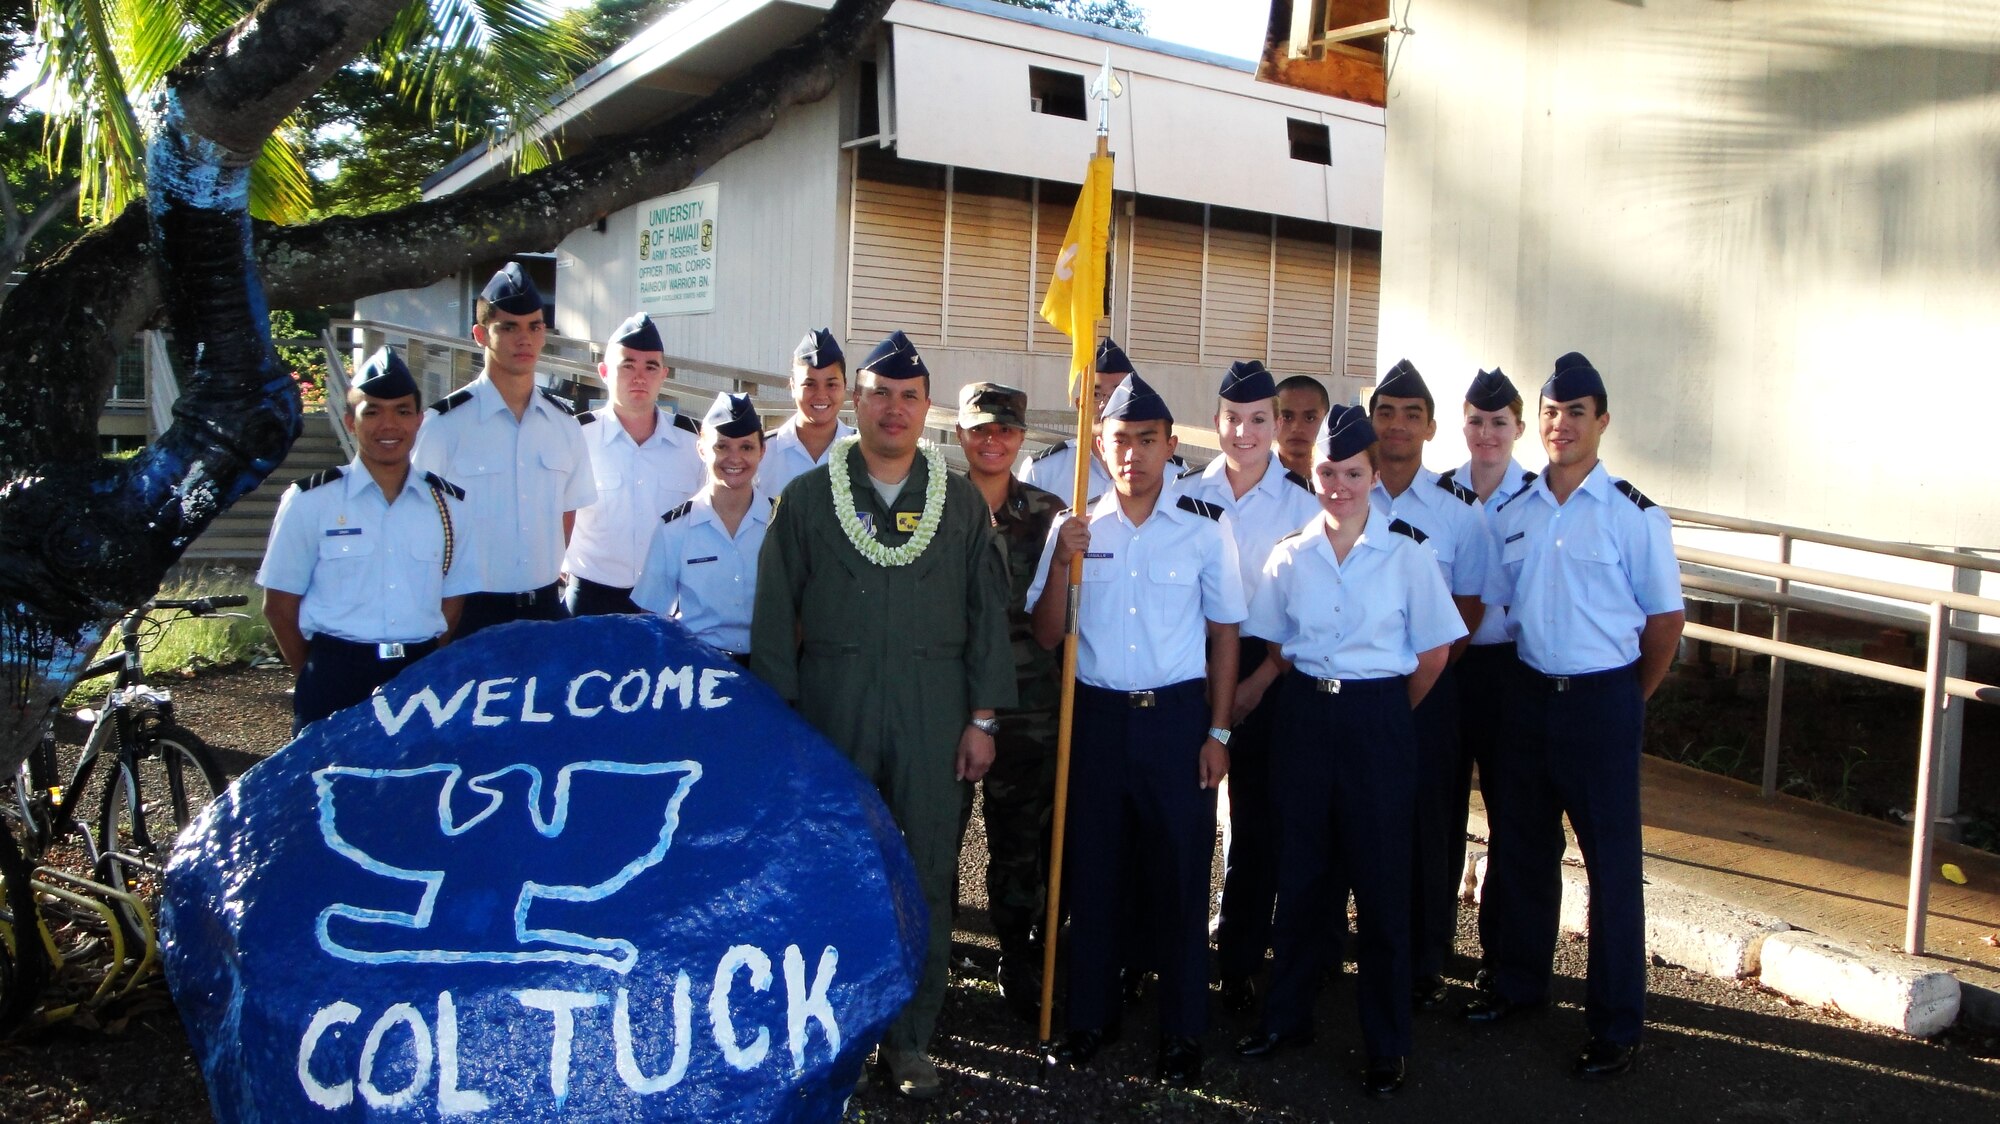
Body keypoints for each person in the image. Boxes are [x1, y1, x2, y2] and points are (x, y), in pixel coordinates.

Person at [751, 329, 1015, 1101]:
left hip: (934, 708)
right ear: (856, 402)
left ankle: (909, 1039)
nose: (894, 409)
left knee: (927, 870)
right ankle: (834, 1033)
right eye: (879, 394)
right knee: (834, 871)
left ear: (926, 409)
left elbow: (987, 615)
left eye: (909, 397)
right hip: (835, 705)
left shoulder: (959, 503)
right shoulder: (808, 499)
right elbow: (775, 615)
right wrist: (783, 726)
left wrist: (984, 719)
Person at [1231, 405, 1463, 1098]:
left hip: (1376, 720)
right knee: (1302, 877)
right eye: (1329, 473)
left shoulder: (1408, 554)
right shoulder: (1290, 555)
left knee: (1383, 886)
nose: (1339, 486)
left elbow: (1434, 654)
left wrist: (1382, 714)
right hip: (1305, 716)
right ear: (1314, 474)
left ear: (1374, 477)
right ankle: (1287, 1018)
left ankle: (1387, 1044)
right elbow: (1277, 643)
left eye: (1353, 474)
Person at [1465, 353, 1684, 1082]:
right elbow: (1500, 603)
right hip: (1528, 694)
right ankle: (1520, 986)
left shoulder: (1633, 516)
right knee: (1523, 851)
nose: (1561, 425)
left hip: (1600, 701)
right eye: (1552, 413)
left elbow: (1664, 623)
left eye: (1576, 413)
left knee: (1611, 870)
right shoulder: (1516, 512)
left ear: (1602, 421)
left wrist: (1626, 699)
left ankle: (1616, 1025)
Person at [1029, 371, 1245, 1089]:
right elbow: (1049, 633)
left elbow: (1225, 635)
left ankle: (1182, 1030)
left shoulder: (1204, 528)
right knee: (1093, 872)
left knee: (1179, 877)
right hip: (1095, 718)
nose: (1133, 454)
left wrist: (1219, 732)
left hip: (1175, 721)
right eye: (1120, 440)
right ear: (1101, 445)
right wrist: (1062, 563)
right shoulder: (1076, 526)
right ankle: (1091, 1016)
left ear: (1171, 445)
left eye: (1147, 440)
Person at [1177, 359, 1320, 1015]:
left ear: (1274, 425)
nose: (1245, 432)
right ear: (1217, 422)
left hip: (1270, 668)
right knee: (1180, 821)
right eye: (1233, 419)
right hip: (1191, 664)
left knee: (1259, 827)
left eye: (1258, 420)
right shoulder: (1183, 492)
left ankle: (1238, 959)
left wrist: (1260, 681)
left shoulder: (1305, 503)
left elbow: (1306, 610)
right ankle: (1166, 952)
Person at [1366, 358, 1496, 1009]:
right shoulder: (1342, 490)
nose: (1397, 424)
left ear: (1431, 428)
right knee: (1349, 815)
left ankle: (1424, 956)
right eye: (1386, 412)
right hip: (1356, 683)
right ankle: (1346, 944)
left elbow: (1469, 605)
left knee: (1428, 821)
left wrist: (1429, 669)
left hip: (1430, 686)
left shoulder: (1457, 511)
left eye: (1411, 415)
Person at [259, 347, 478, 732]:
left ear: (419, 420)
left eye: (402, 411)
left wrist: (423, 662)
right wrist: (315, 673)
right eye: (372, 412)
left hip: (418, 675)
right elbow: (279, 606)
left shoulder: (449, 505)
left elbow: (453, 604)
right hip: (336, 674)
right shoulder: (311, 501)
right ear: (350, 421)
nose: (389, 425)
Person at [952, 381, 1066, 1023]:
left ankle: (1020, 956)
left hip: (1028, 702)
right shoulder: (933, 504)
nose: (992, 440)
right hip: (949, 695)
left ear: (1021, 436)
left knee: (1023, 839)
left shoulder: (1047, 512)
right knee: (936, 834)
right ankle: (931, 955)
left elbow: (1056, 616)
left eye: (1005, 429)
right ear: (960, 434)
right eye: (980, 429)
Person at [411, 263, 595, 636]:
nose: (524, 339)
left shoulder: (564, 424)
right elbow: (417, 522)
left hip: (545, 608)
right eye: (508, 327)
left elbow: (567, 512)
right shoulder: (445, 425)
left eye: (534, 327)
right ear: (480, 334)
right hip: (469, 611)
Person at [1447, 367, 1540, 976]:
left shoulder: (1537, 496)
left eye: (1499, 423)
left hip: (1508, 669)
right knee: (1439, 809)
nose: (1487, 433)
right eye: (1477, 421)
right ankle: (1431, 948)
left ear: (1519, 429)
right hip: (1448, 665)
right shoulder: (1438, 493)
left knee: (1512, 815)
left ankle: (1504, 960)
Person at [563, 312, 702, 616]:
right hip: (591, 600)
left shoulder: (693, 443)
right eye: (627, 365)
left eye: (650, 367)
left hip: (666, 603)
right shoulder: (574, 436)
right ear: (603, 371)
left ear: (663, 374)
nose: (640, 377)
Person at [630, 392, 768, 662]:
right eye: (722, 447)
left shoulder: (780, 523)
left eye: (746, 447)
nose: (734, 458)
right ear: (702, 449)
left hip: (767, 667)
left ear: (762, 451)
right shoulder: (674, 529)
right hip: (699, 665)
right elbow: (652, 616)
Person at [1018, 338, 1182, 499]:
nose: (1105, 405)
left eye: (1117, 395)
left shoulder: (1175, 474)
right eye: (1095, 395)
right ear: (1080, 405)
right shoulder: (1043, 471)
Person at [760, 328, 852, 496]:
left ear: (845, 386)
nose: (821, 395)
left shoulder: (863, 450)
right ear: (793, 386)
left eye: (831, 385)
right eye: (809, 384)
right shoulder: (763, 453)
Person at [1274, 374, 1330, 482]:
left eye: (1310, 418)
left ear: (1326, 419)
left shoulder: (1339, 480)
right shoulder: (1252, 477)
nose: (1297, 428)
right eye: (1287, 417)